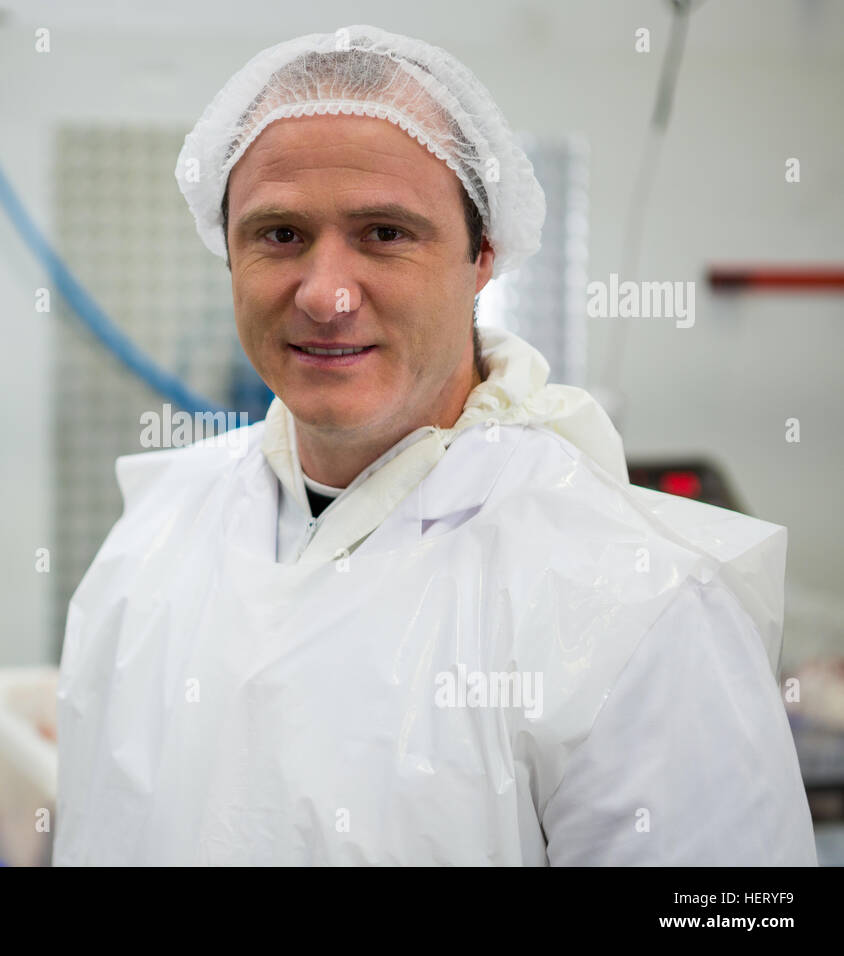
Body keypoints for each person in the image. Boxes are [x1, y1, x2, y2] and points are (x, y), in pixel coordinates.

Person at [52, 24, 817, 865]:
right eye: (280, 235)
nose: (326, 293)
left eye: (385, 233)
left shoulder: (638, 602)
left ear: (483, 256)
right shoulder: (153, 536)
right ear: (226, 254)